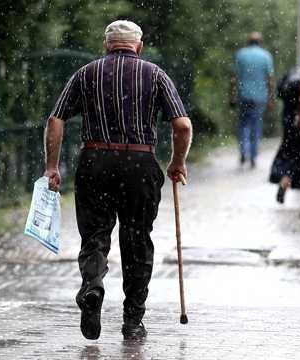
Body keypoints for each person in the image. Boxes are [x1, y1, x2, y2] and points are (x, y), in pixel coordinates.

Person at [43, 20, 192, 341]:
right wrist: (177, 162)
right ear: (139, 46)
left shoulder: (85, 73)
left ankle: (92, 286)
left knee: (95, 235)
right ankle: (132, 320)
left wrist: (51, 166)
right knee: (137, 240)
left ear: (106, 45)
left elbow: (55, 119)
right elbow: (182, 126)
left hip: (95, 162)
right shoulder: (155, 74)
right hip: (139, 164)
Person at [232, 32, 274, 168]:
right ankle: (253, 155)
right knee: (256, 125)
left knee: (243, 125)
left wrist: (232, 95)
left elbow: (234, 77)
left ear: (248, 41)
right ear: (260, 42)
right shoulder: (266, 56)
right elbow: (270, 79)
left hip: (243, 95)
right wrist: (271, 98)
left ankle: (244, 151)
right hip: (260, 97)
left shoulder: (240, 54)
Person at [270, 66, 300, 204]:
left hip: (287, 121)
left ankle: (283, 180)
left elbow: (279, 93)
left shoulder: (289, 76)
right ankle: (290, 183)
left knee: (287, 153)